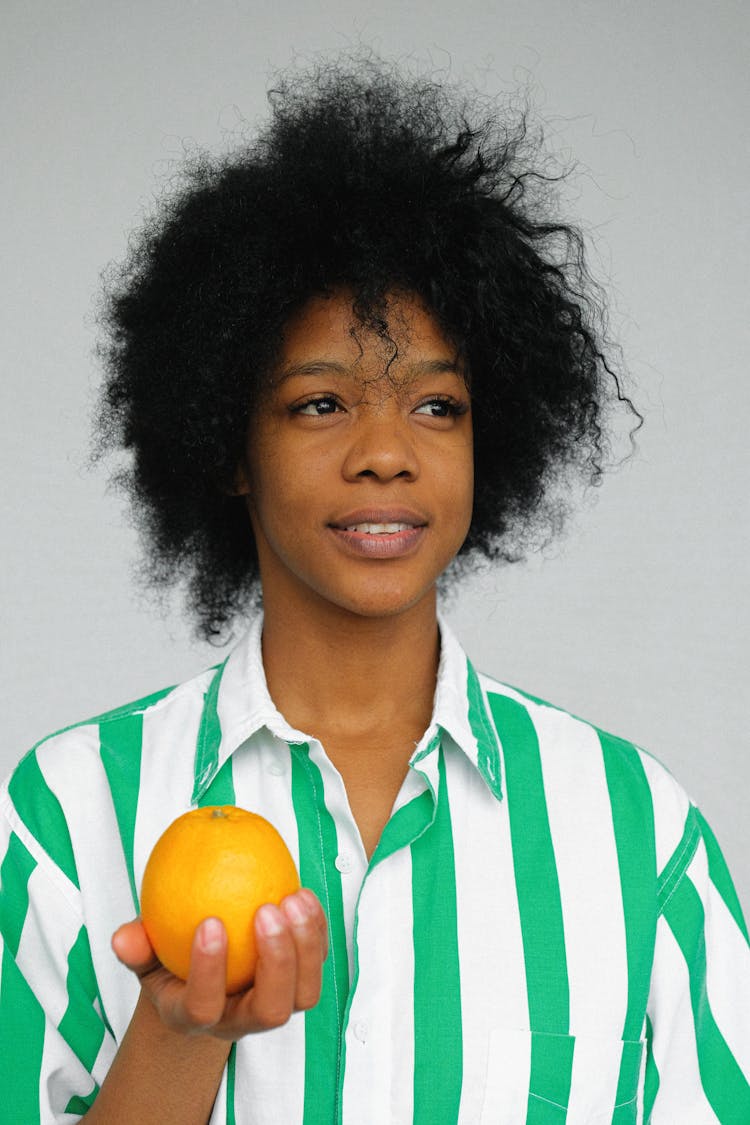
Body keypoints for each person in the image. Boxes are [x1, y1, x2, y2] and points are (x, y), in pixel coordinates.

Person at [1, 57, 748, 1125]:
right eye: (320, 405)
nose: (387, 453)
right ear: (227, 443)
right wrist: (180, 1038)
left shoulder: (637, 830)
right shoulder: (67, 821)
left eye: (437, 406)